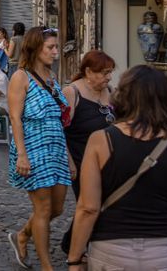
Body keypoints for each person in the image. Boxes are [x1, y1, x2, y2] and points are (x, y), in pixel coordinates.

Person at [66, 65, 167, 271]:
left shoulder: (101, 141)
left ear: (123, 97)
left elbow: (88, 208)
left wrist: (75, 259)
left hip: (113, 250)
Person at [7, 27, 71, 270]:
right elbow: (15, 118)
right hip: (33, 148)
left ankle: (22, 235)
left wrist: (69, 158)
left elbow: (59, 120)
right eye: (51, 48)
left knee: (57, 208)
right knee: (43, 209)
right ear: (35, 49)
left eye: (56, 47)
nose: (56, 52)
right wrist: (21, 154)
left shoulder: (51, 77)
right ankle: (47, 266)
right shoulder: (21, 77)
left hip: (56, 148)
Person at [59, 49, 116, 254]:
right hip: (81, 160)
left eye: (110, 72)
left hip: (107, 161)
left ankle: (77, 243)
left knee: (103, 204)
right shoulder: (71, 92)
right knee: (91, 204)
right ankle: (74, 247)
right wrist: (69, 162)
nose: (108, 77)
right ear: (89, 72)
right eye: (104, 72)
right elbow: (60, 130)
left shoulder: (109, 90)